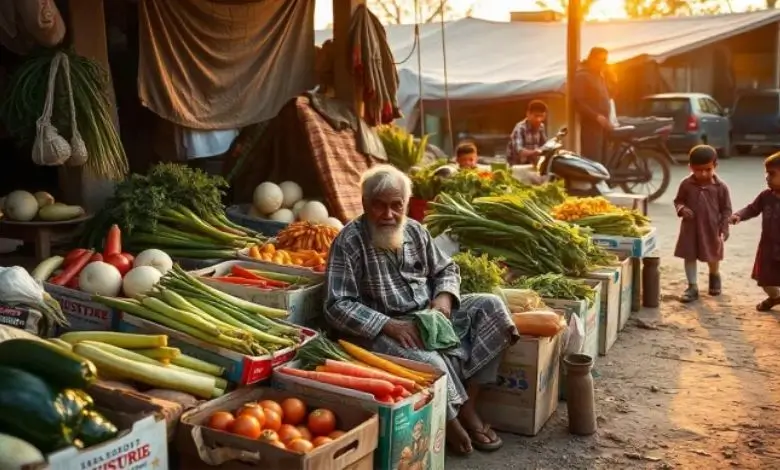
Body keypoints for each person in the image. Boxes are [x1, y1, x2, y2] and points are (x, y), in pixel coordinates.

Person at [324, 164, 519, 456]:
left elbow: (446, 269)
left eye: (396, 206)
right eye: (379, 206)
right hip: (386, 327)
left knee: (492, 307)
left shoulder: (415, 231)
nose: (388, 215)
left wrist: (443, 298)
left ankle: (468, 406)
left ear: (405, 205)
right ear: (365, 204)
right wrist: (388, 324)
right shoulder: (349, 242)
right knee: (430, 362)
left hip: (430, 314)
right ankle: (452, 422)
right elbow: (336, 305)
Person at [673, 145, 732, 303]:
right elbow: (678, 200)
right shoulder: (686, 184)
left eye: (708, 169)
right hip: (690, 228)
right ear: (690, 167)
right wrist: (682, 209)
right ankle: (692, 286)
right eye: (698, 170)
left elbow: (727, 209)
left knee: (713, 255)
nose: (703, 173)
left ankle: (714, 275)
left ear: (715, 166)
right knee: (689, 256)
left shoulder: (721, 187)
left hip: (712, 229)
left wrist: (724, 227)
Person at [729, 152, 780, 311]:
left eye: (772, 173)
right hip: (768, 249)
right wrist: (738, 215)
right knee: (765, 281)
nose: (767, 177)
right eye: (766, 173)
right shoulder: (766, 196)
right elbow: (752, 209)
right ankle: (775, 297)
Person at [573, 47, 612, 162]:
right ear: (592, 59)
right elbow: (578, 102)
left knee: (604, 160)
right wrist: (596, 116)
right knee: (593, 160)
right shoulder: (582, 76)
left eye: (605, 60)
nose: (603, 63)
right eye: (601, 60)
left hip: (603, 125)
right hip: (591, 126)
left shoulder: (599, 76)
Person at [507, 100, 548, 165]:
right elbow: (519, 151)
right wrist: (535, 152)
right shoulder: (520, 128)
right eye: (536, 116)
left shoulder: (541, 127)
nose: (539, 120)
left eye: (541, 116)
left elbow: (544, 145)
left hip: (533, 165)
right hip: (517, 166)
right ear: (528, 114)